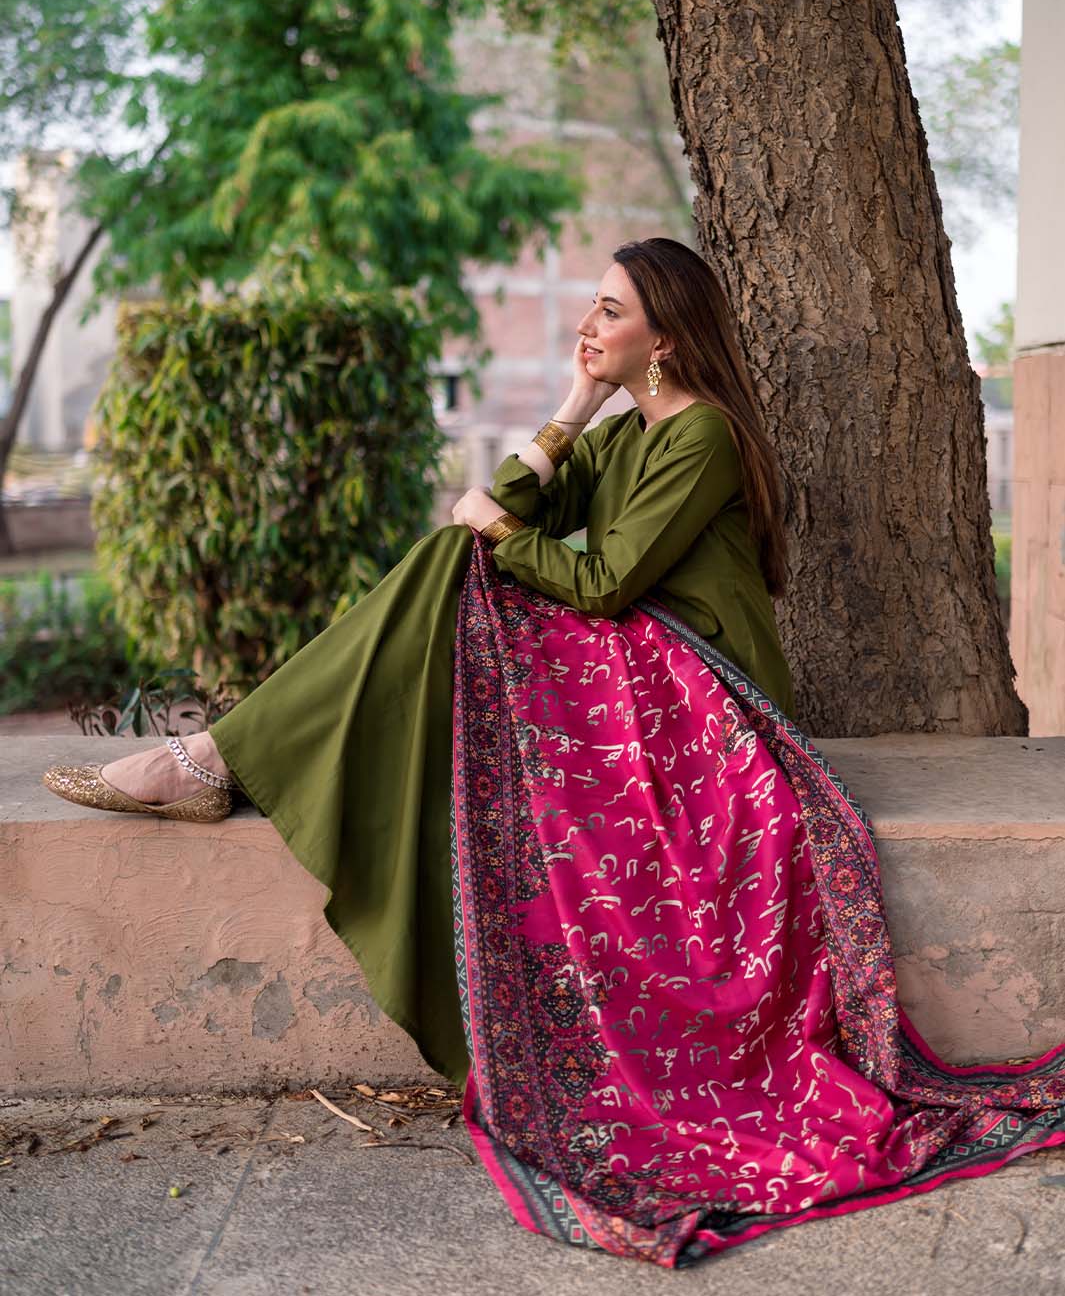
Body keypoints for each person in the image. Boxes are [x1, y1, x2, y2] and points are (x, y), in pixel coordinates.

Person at [41, 238, 1065, 1267]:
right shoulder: (622, 432)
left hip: (702, 688)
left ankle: (213, 758)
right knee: (452, 560)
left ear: (666, 337)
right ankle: (220, 755)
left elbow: (602, 580)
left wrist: (493, 522)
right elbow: (507, 513)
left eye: (611, 310)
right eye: (592, 305)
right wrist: (573, 410)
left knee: (460, 559)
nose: (588, 323)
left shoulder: (703, 436)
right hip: (635, 655)